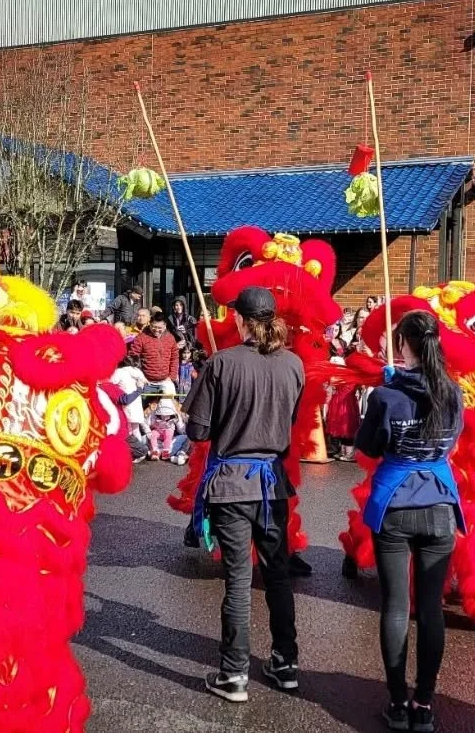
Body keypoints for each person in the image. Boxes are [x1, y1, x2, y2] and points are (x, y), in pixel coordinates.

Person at [182, 286, 303, 704]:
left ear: (241, 319)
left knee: (237, 579)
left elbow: (197, 430)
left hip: (233, 483)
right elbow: (289, 419)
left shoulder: (222, 362)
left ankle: (234, 674)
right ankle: (286, 662)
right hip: (272, 481)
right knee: (278, 574)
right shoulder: (294, 364)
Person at [353, 309, 464, 732]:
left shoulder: (386, 396)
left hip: (396, 505)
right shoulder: (452, 393)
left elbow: (368, 446)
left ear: (403, 345)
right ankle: (425, 702)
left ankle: (398, 701)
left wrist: (385, 394)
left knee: (396, 605)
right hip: (438, 503)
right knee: (431, 607)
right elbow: (450, 442)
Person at [129, 317, 180, 394]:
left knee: (168, 404)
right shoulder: (141, 337)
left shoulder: (170, 338)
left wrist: (172, 376)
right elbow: (133, 357)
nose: (156, 330)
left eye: (159, 328)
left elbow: (174, 358)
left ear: (165, 326)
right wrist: (140, 376)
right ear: (150, 325)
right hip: (146, 382)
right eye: (154, 327)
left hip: (166, 381)